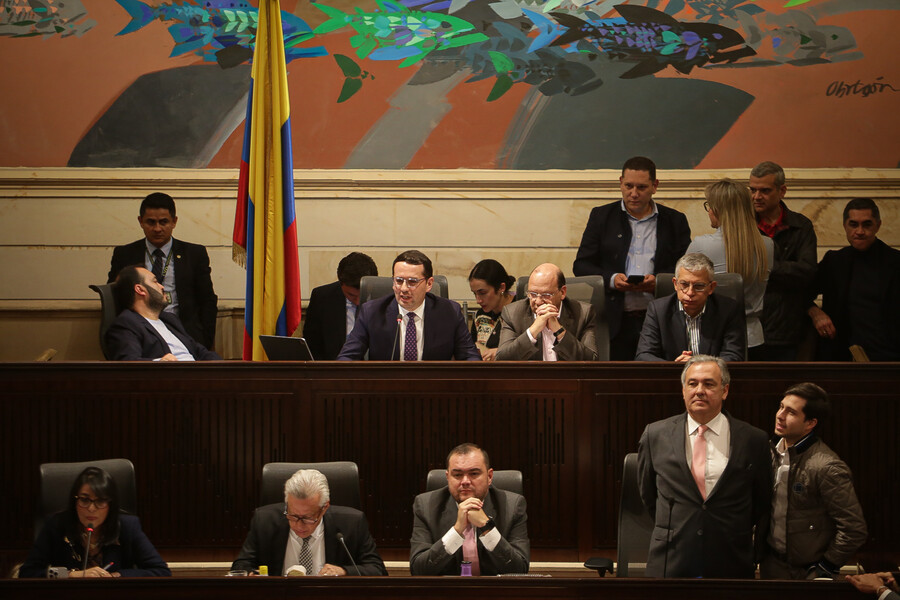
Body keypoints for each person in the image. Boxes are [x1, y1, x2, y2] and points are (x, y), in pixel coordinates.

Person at [637, 355, 771, 578]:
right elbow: (649, 495)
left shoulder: (753, 439)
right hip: (671, 559)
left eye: (709, 384)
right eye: (692, 384)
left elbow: (761, 501)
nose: (699, 391)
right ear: (683, 390)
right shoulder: (655, 435)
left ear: (725, 391)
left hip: (731, 560)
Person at [573, 156, 691, 360]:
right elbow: (581, 265)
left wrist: (659, 282)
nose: (634, 193)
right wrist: (612, 279)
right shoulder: (602, 217)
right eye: (628, 186)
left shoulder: (675, 221)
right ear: (620, 183)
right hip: (614, 320)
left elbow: (686, 269)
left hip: (661, 318)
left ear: (655, 186)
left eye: (641, 187)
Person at [760, 382, 866, 580]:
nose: (780, 415)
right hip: (771, 564)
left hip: (806, 572)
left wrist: (825, 567)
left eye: (791, 412)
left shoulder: (827, 467)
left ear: (810, 423)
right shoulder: (768, 452)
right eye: (781, 407)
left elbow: (853, 528)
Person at [108, 192, 218, 349]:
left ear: (174, 221)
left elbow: (207, 300)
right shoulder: (125, 254)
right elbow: (115, 298)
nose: (157, 228)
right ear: (140, 221)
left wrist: (205, 339)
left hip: (185, 334)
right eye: (151, 222)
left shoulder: (194, 254)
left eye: (163, 222)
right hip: (140, 333)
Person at [20, 467, 170, 578]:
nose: (91, 508)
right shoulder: (56, 525)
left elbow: (161, 571)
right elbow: (28, 572)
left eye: (100, 501)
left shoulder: (127, 527)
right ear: (75, 501)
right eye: (85, 500)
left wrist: (116, 576)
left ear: (110, 504)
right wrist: (71, 575)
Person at [232, 469, 387, 576]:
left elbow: (378, 570)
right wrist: (251, 575)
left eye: (307, 518)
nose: (299, 525)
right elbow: (241, 565)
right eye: (293, 516)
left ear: (324, 507)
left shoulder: (352, 523)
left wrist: (344, 571)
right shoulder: (264, 521)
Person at [337, 250, 481, 361]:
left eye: (412, 282)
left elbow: (470, 357)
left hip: (433, 388)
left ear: (429, 284)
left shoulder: (450, 312)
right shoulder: (372, 312)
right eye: (399, 281)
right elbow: (347, 357)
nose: (404, 288)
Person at [410, 443, 529, 576]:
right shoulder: (426, 506)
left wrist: (486, 527)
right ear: (448, 477)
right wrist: (456, 530)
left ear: (489, 476)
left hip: (495, 589)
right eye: (457, 475)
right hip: (446, 588)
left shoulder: (512, 506)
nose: (465, 481)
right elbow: (418, 570)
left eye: (474, 474)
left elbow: (519, 569)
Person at [688, 179, 774, 356]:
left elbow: (683, 289)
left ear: (719, 210)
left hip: (713, 337)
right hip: (753, 336)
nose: (709, 211)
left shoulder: (702, 245)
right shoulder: (767, 245)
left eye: (709, 206)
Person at [808, 198, 900, 361]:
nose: (860, 231)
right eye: (853, 224)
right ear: (845, 225)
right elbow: (801, 292)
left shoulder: (896, 262)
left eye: (867, 224)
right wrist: (815, 313)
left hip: (889, 356)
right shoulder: (834, 261)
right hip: (841, 355)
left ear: (878, 226)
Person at [750, 162, 818, 361]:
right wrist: (784, 270)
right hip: (750, 326)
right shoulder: (744, 225)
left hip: (788, 325)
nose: (756, 196)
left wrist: (763, 268)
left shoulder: (801, 226)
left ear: (782, 191)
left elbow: (807, 271)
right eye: (752, 190)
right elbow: (740, 272)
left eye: (765, 191)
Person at [635, 253, 745, 362]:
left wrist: (698, 365)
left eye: (699, 286)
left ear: (711, 287)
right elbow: (643, 355)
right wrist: (675, 367)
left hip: (711, 374)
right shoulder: (658, 310)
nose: (690, 292)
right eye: (684, 284)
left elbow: (734, 356)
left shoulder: (728, 310)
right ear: (675, 284)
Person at [105, 265, 221, 361]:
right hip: (169, 378)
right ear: (140, 289)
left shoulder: (170, 320)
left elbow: (200, 351)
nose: (161, 286)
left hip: (198, 375)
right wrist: (159, 362)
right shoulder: (126, 324)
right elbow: (127, 362)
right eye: (155, 282)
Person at [496, 263, 597, 361]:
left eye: (546, 295)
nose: (538, 301)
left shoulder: (584, 313)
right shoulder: (512, 314)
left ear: (562, 292)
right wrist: (533, 331)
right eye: (533, 294)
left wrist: (559, 331)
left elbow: (592, 361)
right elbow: (502, 360)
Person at [303, 252, 378, 360]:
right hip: (333, 366)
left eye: (363, 295)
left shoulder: (386, 300)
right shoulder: (322, 298)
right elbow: (312, 346)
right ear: (341, 283)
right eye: (351, 295)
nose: (357, 302)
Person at [468, 259, 516, 361]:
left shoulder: (521, 311)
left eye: (483, 293)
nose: (478, 300)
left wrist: (501, 352)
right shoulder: (480, 315)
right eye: (474, 293)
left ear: (501, 287)